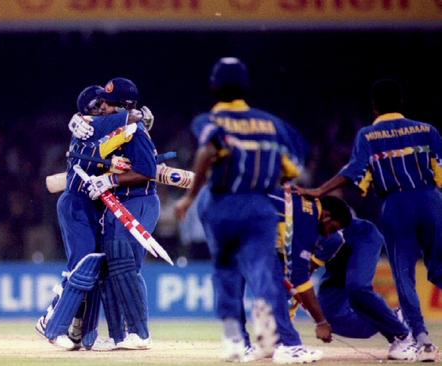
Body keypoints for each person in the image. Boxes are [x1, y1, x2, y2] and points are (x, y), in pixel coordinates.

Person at [298, 79, 441, 362]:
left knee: (405, 277)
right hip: (432, 200)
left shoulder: (368, 135)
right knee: (439, 271)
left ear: (374, 106)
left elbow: (353, 172)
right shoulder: (428, 130)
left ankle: (421, 341)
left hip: (397, 205)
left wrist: (318, 190)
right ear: (401, 103)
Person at [174, 57, 306, 362]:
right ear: (246, 86)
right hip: (260, 205)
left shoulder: (207, 121)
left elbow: (208, 151)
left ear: (213, 85)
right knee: (264, 272)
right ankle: (286, 344)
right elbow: (291, 168)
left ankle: (235, 338)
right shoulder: (272, 123)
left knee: (226, 271)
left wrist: (188, 199)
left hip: (222, 202)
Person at [81, 77, 160, 350]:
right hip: (117, 203)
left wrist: (111, 181)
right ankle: (120, 336)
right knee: (110, 268)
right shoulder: (115, 132)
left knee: (124, 262)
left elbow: (147, 172)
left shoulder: (136, 131)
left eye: (108, 103)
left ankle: (141, 333)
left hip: (139, 201)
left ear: (123, 106)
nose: (102, 106)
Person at [312, 214, 418, 361]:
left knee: (358, 287)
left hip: (360, 237)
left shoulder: (301, 216)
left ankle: (402, 336)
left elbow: (301, 275)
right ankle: (394, 318)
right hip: (334, 255)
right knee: (328, 318)